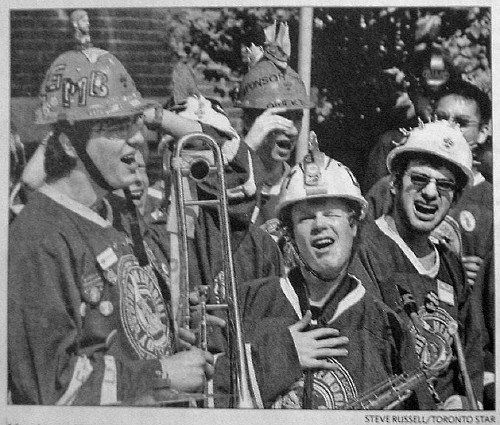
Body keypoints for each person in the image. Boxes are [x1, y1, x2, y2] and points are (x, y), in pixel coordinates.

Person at [8, 46, 214, 405]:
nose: (136, 139)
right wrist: (162, 372)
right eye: (116, 127)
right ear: (70, 146)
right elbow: (52, 388)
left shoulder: (121, 213)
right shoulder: (37, 239)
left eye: (133, 124)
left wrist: (173, 332)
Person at [217, 147, 434, 409]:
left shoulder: (386, 326)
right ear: (290, 234)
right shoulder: (246, 302)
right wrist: (280, 356)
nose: (320, 224)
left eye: (331, 214)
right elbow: (205, 395)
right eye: (306, 218)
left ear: (353, 226)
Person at [349, 120, 484, 409]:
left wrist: (465, 401)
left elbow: (471, 349)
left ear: (455, 198)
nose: (430, 193)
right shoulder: (364, 249)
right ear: (395, 183)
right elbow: (368, 350)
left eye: (444, 186)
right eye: (419, 179)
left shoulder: (450, 265)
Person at [235, 21, 312, 227]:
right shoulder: (227, 180)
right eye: (279, 116)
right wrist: (247, 149)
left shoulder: (303, 186)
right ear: (249, 122)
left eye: (297, 116)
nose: (291, 128)